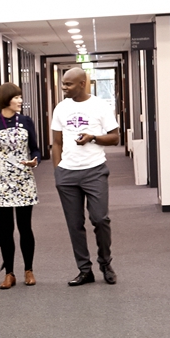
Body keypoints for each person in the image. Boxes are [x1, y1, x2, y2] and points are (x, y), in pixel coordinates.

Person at [50, 66, 120, 285]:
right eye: (63, 84)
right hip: (67, 174)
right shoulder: (61, 108)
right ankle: (84, 270)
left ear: (82, 84)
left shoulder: (100, 105)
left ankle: (105, 263)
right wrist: (58, 171)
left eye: (68, 84)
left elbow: (115, 138)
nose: (64, 87)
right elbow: (56, 143)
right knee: (75, 224)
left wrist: (93, 137)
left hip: (94, 170)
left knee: (100, 219)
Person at [0, 82, 42, 288]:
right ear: (6, 99)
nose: (20, 101)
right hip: (1, 182)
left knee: (25, 228)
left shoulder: (26, 121)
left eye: (20, 97)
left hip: (23, 180)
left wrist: (35, 160)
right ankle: (9, 273)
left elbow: (35, 149)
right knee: (5, 230)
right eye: (16, 97)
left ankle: (29, 270)